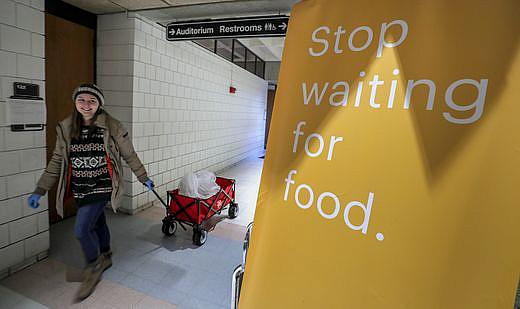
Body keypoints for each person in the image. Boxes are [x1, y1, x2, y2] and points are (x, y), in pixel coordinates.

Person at [27, 83, 154, 301]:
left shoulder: (112, 126)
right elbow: (58, 160)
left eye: (92, 101)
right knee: (97, 223)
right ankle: (106, 254)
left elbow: (129, 154)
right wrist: (40, 189)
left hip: (103, 185)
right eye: (82, 100)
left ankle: (93, 266)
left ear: (99, 104)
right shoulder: (66, 127)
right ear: (75, 102)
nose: (86, 105)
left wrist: (143, 177)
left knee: (80, 230)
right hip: (80, 187)